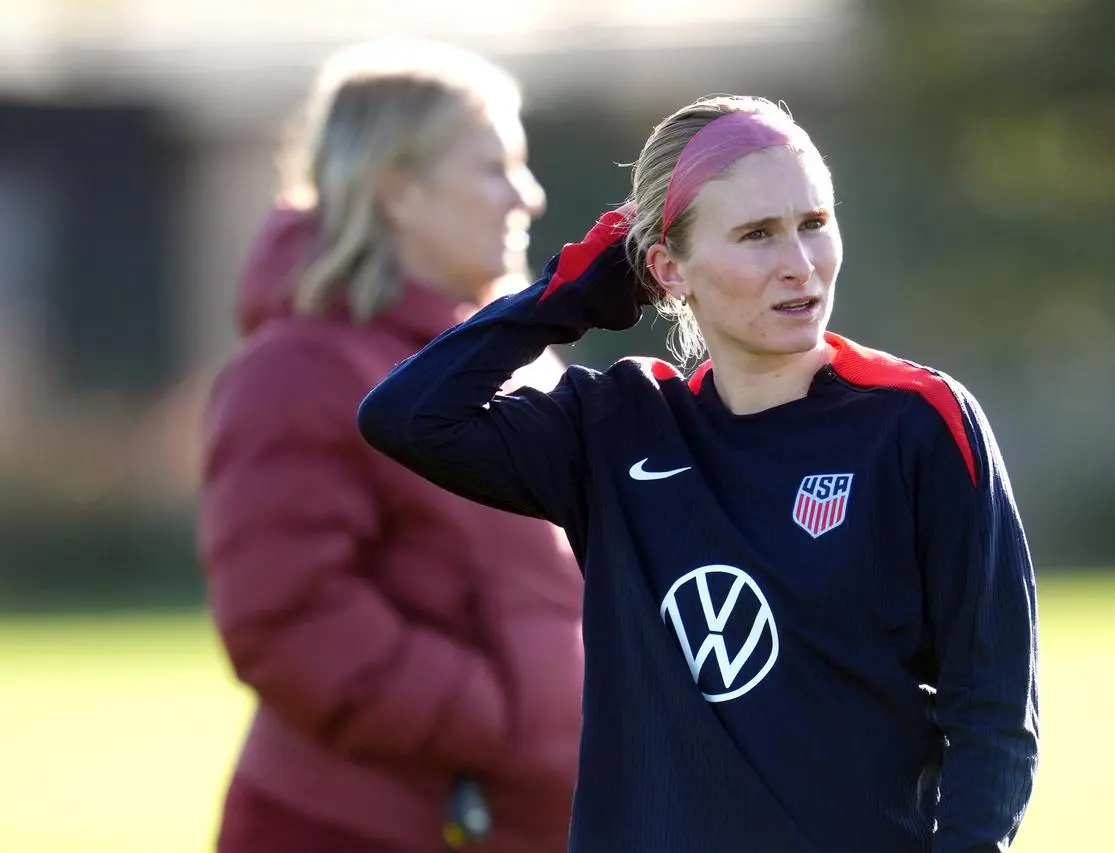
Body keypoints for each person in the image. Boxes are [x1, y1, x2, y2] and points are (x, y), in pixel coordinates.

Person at [357, 95, 1040, 852]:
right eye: (756, 235)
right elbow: (408, 414)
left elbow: (993, 709)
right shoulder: (616, 427)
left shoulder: (918, 421)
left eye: (813, 223)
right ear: (664, 269)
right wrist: (567, 294)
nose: (799, 264)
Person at [198, 39, 585, 853]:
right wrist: (506, 713)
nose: (528, 194)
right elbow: (287, 618)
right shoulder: (299, 367)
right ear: (397, 192)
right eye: (494, 167)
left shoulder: (515, 358)